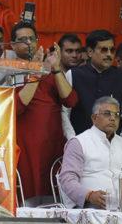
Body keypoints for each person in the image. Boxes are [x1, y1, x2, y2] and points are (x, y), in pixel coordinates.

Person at [11, 21, 77, 205]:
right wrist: (35, 72)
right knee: (27, 198)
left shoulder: (50, 71)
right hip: (25, 146)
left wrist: (55, 68)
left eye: (32, 38)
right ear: (13, 45)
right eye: (22, 40)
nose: (28, 43)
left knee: (54, 198)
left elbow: (70, 100)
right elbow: (17, 107)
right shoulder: (9, 71)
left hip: (53, 143)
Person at [59, 96, 122, 211]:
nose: (113, 118)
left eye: (117, 115)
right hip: (90, 207)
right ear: (94, 118)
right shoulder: (78, 142)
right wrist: (89, 195)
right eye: (107, 114)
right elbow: (67, 179)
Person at [61, 29, 122, 141]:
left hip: (113, 144)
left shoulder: (121, 76)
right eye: (104, 50)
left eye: (112, 50)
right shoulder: (73, 74)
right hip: (81, 143)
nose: (109, 54)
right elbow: (64, 112)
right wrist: (72, 139)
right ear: (90, 52)